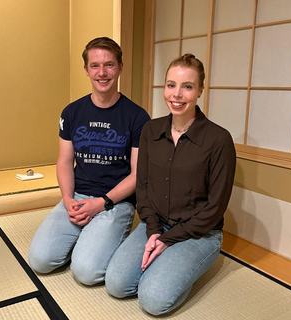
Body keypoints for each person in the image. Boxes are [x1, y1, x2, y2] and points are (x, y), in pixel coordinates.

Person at [105, 53, 236, 315]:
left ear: (200, 90)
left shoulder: (218, 139)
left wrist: (166, 241)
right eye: (171, 85)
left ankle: (173, 268)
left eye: (187, 86)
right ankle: (161, 262)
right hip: (157, 224)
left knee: (153, 301)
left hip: (200, 233)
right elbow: (142, 187)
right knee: (116, 284)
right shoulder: (151, 131)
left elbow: (215, 207)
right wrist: (154, 231)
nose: (177, 94)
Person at [28, 37, 150, 285]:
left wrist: (102, 202)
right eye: (95, 66)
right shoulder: (72, 112)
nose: (102, 73)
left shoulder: (137, 116)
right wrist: (67, 199)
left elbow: (138, 175)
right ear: (86, 70)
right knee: (40, 261)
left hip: (115, 202)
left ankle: (96, 241)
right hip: (78, 197)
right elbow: (64, 161)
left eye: (109, 65)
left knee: (86, 273)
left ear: (120, 67)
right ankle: (87, 238)